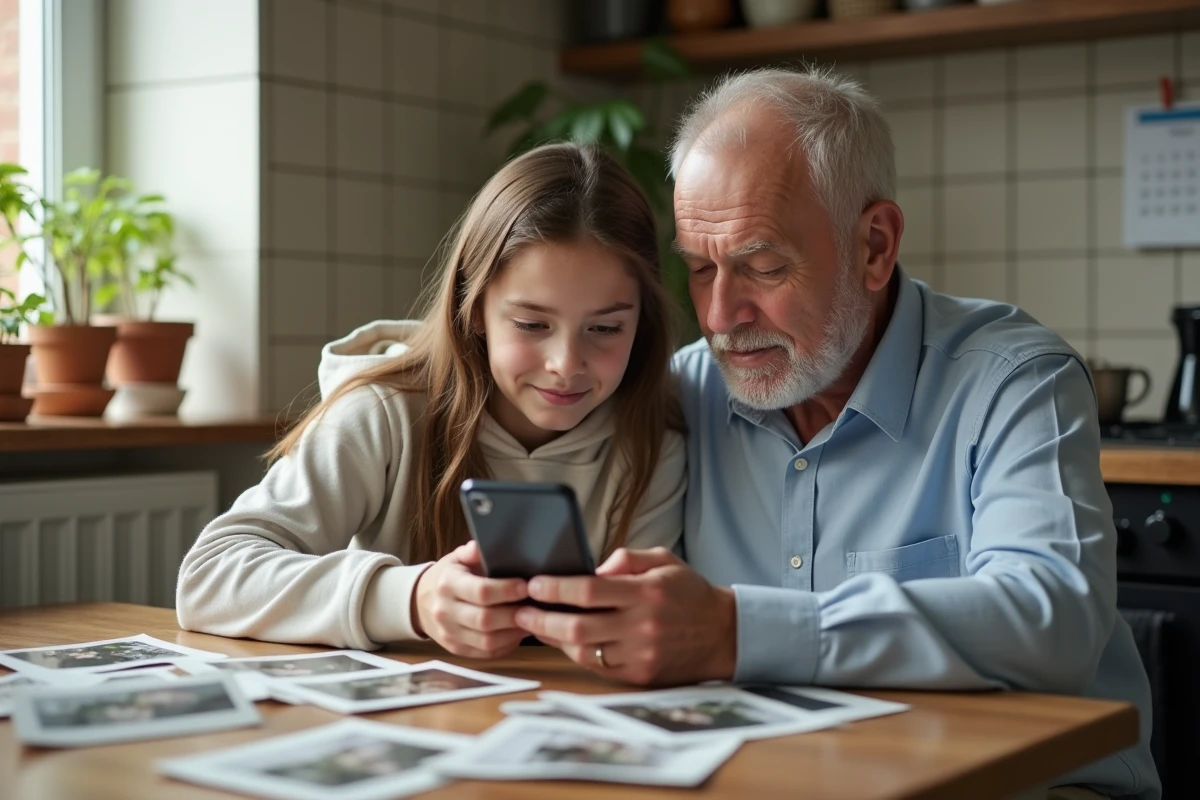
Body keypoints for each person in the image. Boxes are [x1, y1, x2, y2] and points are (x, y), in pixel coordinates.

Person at [511, 69, 1160, 799]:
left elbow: (1054, 620)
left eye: (761, 266)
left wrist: (736, 630)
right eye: (699, 269)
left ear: (874, 246)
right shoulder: (684, 389)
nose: (721, 315)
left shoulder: (1013, 379)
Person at [176, 142, 686, 659]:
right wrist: (412, 599)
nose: (566, 362)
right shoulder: (384, 414)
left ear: (641, 323)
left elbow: (641, 635)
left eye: (605, 327)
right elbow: (208, 577)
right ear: (473, 309)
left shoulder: (653, 443)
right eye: (532, 324)